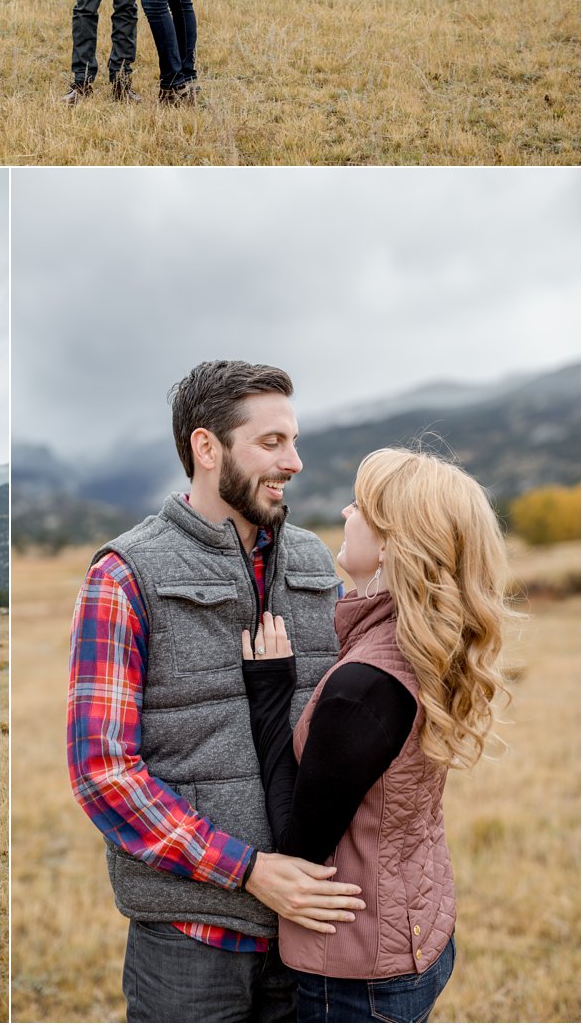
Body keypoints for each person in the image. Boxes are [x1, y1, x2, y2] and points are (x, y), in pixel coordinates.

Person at [68, 360, 365, 1024]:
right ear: (207, 447)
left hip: (314, 937)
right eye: (271, 442)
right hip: (190, 943)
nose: (294, 460)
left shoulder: (320, 562)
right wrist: (248, 869)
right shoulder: (125, 574)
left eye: (293, 439)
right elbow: (101, 771)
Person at [240, 449, 510, 1024]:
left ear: (393, 544)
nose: (344, 510)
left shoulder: (363, 689)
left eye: (361, 506)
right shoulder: (422, 643)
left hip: (357, 975)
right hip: (416, 928)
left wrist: (268, 695)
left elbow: (299, 849)